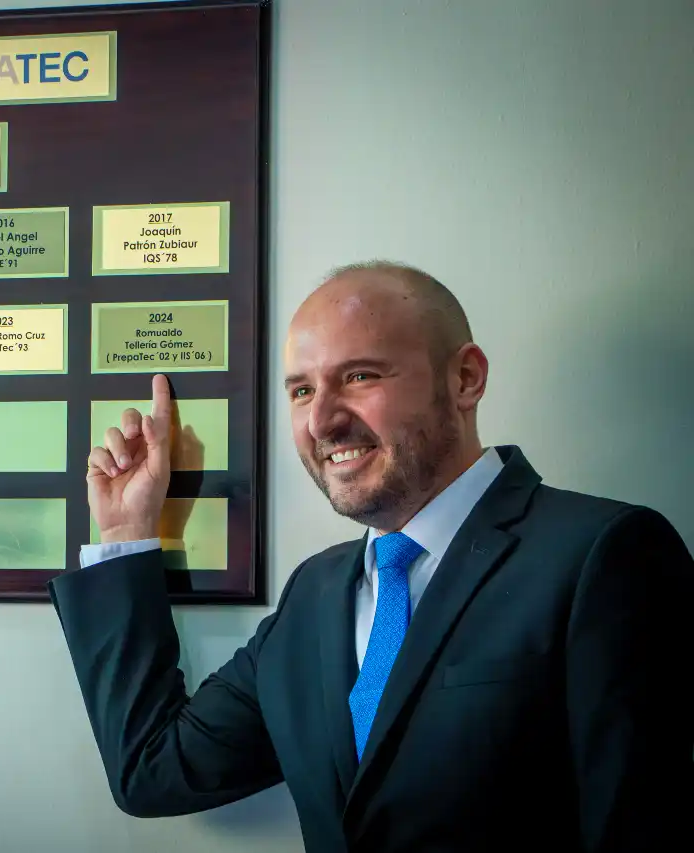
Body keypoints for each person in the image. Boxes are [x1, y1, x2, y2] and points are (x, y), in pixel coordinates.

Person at [47, 261, 693, 852]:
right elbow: (154, 771)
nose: (323, 420)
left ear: (465, 378)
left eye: (359, 376)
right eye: (300, 391)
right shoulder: (313, 594)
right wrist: (126, 535)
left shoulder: (604, 556)